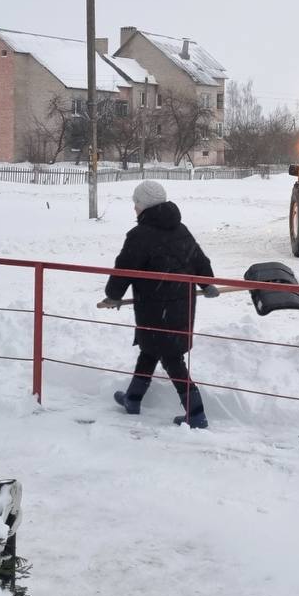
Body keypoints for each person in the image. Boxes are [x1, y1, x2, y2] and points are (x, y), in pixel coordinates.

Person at [101, 180, 218, 428]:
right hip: (181, 305)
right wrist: (207, 283)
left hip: (154, 307)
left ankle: (196, 413)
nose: (134, 208)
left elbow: (124, 269)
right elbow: (198, 259)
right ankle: (133, 399)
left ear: (144, 206)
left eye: (136, 203)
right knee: (150, 350)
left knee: (171, 358)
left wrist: (113, 294)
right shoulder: (181, 229)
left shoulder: (139, 236)